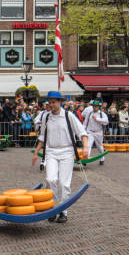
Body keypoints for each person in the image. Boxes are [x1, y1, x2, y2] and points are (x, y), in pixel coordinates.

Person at [32, 91, 88, 224]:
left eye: (53, 102)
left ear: (59, 102)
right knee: (50, 179)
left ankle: (63, 211)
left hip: (67, 152)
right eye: (49, 102)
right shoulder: (46, 117)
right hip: (51, 151)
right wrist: (36, 153)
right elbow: (43, 137)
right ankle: (53, 208)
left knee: (64, 183)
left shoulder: (69, 116)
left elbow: (82, 132)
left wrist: (85, 147)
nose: (51, 104)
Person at [82, 100, 109, 165]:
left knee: (99, 146)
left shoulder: (102, 114)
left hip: (98, 132)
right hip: (90, 132)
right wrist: (83, 131)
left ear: (98, 107)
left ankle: (102, 158)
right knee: (88, 145)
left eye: (96, 106)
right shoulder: (89, 113)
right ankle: (86, 159)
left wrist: (97, 119)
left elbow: (106, 122)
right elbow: (85, 123)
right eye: (93, 106)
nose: (94, 107)